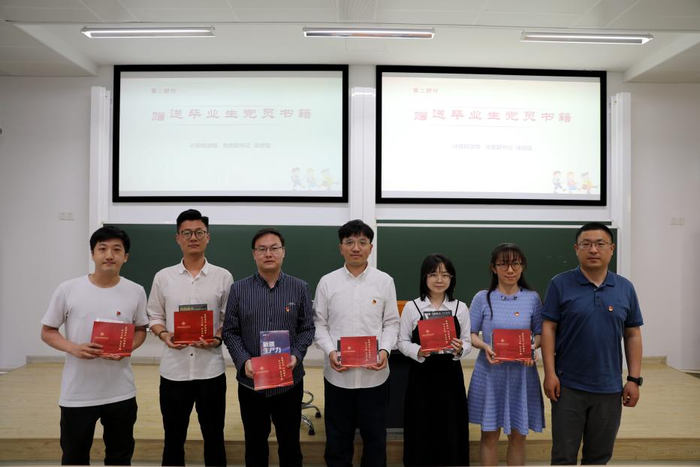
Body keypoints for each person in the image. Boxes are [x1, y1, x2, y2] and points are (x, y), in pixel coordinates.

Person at [40, 226, 148, 465]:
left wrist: (127, 348)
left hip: (120, 392)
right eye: (102, 249)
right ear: (92, 254)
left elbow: (141, 330)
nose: (109, 255)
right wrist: (73, 348)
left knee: (120, 457)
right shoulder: (68, 289)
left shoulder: (136, 291)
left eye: (116, 249)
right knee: (74, 457)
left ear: (125, 257)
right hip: (78, 393)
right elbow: (47, 331)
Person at [542, 222, 643, 465]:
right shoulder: (559, 284)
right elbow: (548, 328)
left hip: (609, 388)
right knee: (563, 456)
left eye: (600, 244)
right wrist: (549, 374)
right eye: (586, 244)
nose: (593, 250)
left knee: (598, 457)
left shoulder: (625, 287)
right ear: (576, 249)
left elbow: (632, 334)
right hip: (568, 387)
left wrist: (633, 379)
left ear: (612, 249)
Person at [146, 209, 233, 466]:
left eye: (198, 232)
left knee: (214, 436)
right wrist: (164, 334)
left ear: (208, 237)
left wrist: (217, 338)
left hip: (211, 371)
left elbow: (228, 319)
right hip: (174, 372)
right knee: (173, 437)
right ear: (178, 238)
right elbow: (153, 315)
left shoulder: (223, 276)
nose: (193, 238)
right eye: (187, 233)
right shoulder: (163, 277)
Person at [223, 228, 315, 467]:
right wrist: (244, 361)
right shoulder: (239, 289)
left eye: (274, 248)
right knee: (255, 445)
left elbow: (307, 329)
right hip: (251, 382)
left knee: (290, 444)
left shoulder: (300, 288)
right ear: (254, 254)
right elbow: (230, 331)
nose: (268, 253)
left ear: (283, 252)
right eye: (262, 249)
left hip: (289, 381)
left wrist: (296, 355)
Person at [313, 219, 400, 467]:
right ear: (340, 247)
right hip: (338, 376)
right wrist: (331, 351)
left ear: (370, 248)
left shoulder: (384, 281)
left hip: (375, 377)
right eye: (349, 242)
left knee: (375, 439)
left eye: (362, 242)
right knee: (338, 439)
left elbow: (391, 323)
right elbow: (320, 324)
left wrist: (384, 351)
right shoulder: (327, 282)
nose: (355, 248)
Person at [467, 243, 545, 466]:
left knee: (518, 437)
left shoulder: (532, 298)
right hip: (490, 374)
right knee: (489, 435)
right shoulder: (482, 298)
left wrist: (532, 348)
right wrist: (485, 346)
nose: (510, 270)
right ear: (494, 268)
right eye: (503, 264)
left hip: (522, 375)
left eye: (515, 264)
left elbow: (540, 334)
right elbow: (470, 334)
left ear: (522, 267)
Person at [397, 254, 472, 466]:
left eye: (445, 275)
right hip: (421, 379)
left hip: (451, 379)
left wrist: (461, 349)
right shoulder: (413, 307)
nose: (439, 280)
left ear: (452, 279)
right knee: (421, 427)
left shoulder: (460, 307)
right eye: (433, 274)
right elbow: (402, 341)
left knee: (451, 427)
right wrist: (418, 351)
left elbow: (467, 341)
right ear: (424, 277)